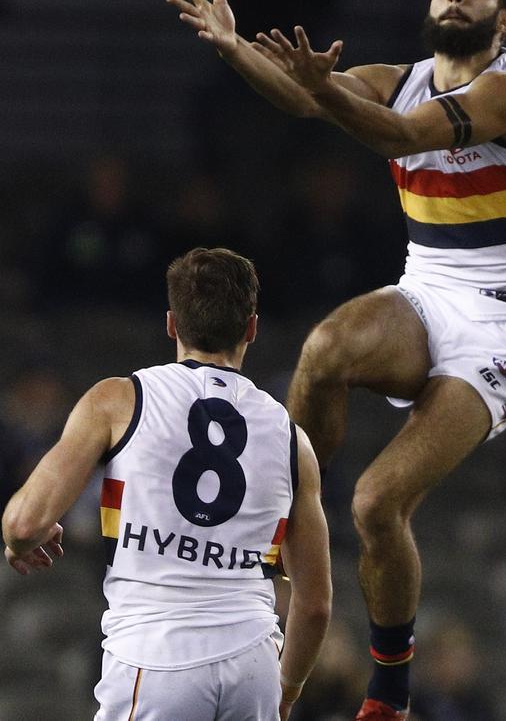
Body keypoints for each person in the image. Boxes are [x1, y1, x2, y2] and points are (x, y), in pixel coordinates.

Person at [166, 0, 506, 720]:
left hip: (503, 324)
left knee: (378, 503)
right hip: (429, 289)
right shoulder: (397, 77)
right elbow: (302, 93)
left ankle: (390, 689)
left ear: (503, 19)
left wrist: (322, 91)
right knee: (325, 348)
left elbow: (402, 134)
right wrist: (236, 47)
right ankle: (278, 536)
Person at [2, 246, 331, 721]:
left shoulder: (119, 401)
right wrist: (285, 690)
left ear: (172, 323)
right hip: (254, 661)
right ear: (252, 328)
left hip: (156, 657)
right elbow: (316, 605)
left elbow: (24, 521)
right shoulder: (291, 440)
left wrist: (21, 539)